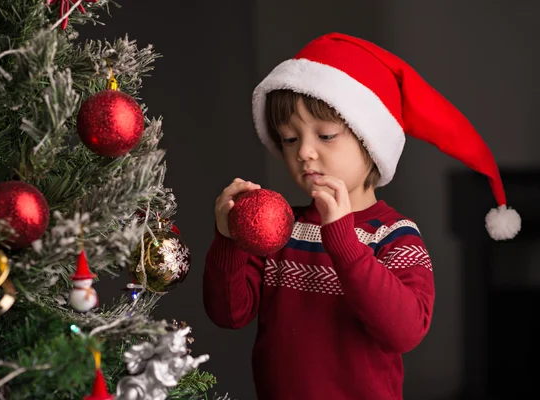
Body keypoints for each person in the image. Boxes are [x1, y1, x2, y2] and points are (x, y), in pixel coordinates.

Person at [202, 32, 521, 400]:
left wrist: (344, 243)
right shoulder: (282, 229)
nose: (304, 151)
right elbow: (230, 314)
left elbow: (404, 331)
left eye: (325, 135)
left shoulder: (394, 235)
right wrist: (229, 241)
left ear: (370, 144)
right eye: (289, 139)